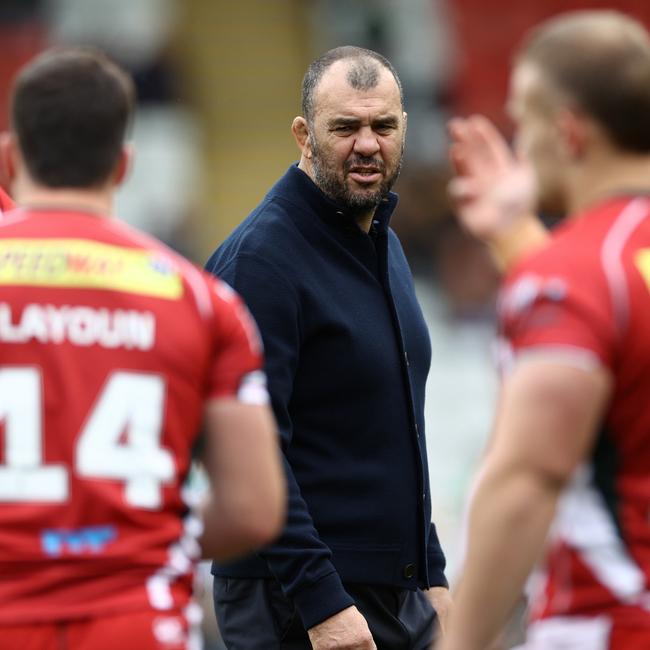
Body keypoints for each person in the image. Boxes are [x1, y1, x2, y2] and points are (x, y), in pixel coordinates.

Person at [0, 47, 285, 650]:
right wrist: (131, 534)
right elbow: (254, 507)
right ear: (123, 165)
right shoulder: (202, 300)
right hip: (136, 616)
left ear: (11, 156)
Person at [205, 45, 451, 650]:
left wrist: (433, 571)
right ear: (303, 135)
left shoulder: (381, 242)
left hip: (394, 593)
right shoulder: (261, 262)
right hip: (298, 602)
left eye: (383, 126)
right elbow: (250, 455)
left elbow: (395, 430)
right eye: (346, 127)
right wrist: (321, 604)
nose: (367, 144)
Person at [440, 10, 650, 650]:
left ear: (569, 131)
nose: (519, 142)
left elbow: (527, 478)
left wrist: (461, 642)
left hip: (608, 621)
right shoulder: (612, 265)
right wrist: (515, 234)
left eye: (525, 120)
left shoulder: (575, 272)